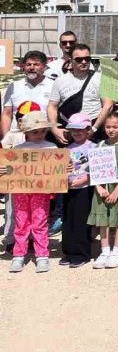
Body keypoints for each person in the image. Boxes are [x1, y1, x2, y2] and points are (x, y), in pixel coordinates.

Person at [6, 111, 57, 273]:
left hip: (40, 191)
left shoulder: (51, 148)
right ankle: (18, 255)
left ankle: (42, 255)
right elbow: (9, 169)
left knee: (40, 221)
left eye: (43, 131)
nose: (40, 134)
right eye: (35, 131)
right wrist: (3, 169)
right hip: (20, 190)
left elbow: (58, 168)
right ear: (26, 132)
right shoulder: (18, 149)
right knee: (21, 222)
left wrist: (66, 167)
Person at [88, 110, 118, 270]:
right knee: (103, 221)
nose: (111, 130)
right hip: (102, 188)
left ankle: (117, 250)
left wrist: (116, 191)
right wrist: (99, 187)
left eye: (115, 126)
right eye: (108, 127)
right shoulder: (100, 145)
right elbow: (94, 169)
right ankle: (104, 250)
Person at [48, 43, 112, 144]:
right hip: (68, 130)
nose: (83, 62)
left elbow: (108, 105)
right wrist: (54, 128)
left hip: (93, 129)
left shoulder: (100, 78)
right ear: (70, 60)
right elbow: (52, 106)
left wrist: (94, 129)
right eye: (79, 59)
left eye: (87, 59)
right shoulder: (60, 81)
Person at [62, 113, 96, 268]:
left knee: (81, 221)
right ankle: (68, 251)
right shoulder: (66, 149)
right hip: (68, 188)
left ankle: (81, 253)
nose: (76, 132)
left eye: (80, 129)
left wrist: (87, 178)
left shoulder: (94, 147)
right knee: (68, 220)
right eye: (73, 130)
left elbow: (98, 169)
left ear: (88, 129)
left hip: (85, 189)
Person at [1, 51, 54, 142]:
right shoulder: (14, 86)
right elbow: (7, 114)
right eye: (28, 64)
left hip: (44, 138)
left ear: (44, 67)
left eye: (36, 64)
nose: (31, 68)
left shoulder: (54, 86)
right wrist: (6, 139)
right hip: (17, 138)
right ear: (24, 67)